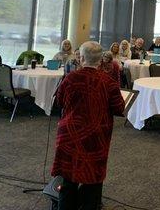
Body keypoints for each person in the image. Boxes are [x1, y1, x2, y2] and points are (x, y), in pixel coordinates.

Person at [51, 41, 125, 210]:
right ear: (100, 60)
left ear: (82, 58)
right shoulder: (109, 82)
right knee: (93, 180)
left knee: (68, 180)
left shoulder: (70, 78)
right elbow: (120, 108)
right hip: (95, 137)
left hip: (70, 135)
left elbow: (59, 102)